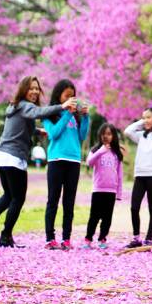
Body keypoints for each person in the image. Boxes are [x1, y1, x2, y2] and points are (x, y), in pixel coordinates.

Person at [0, 75, 75, 248]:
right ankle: (5, 236)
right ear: (24, 89)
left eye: (36, 88)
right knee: (18, 198)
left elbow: (22, 126)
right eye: (31, 88)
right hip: (14, 157)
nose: (34, 91)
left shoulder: (14, 106)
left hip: (2, 155)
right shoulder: (26, 106)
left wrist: (39, 132)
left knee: (9, 195)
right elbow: (37, 112)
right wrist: (61, 106)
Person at [42, 79, 90, 250]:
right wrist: (67, 113)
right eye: (67, 96)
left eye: (73, 96)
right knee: (53, 200)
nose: (71, 99)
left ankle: (66, 239)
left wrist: (85, 117)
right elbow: (54, 134)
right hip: (56, 161)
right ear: (59, 96)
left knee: (69, 202)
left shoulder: (75, 116)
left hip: (74, 161)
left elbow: (81, 136)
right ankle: (50, 238)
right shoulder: (49, 114)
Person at [124, 107, 152, 248]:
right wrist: (141, 122)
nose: (145, 120)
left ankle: (149, 239)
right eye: (143, 117)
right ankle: (136, 238)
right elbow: (127, 131)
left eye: (148, 117)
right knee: (134, 207)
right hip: (140, 175)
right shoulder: (141, 135)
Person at [83, 123, 124, 249]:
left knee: (107, 218)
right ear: (99, 135)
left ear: (113, 136)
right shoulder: (95, 150)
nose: (106, 136)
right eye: (103, 134)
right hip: (98, 190)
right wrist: (101, 151)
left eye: (109, 134)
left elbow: (120, 174)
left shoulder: (117, 153)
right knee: (94, 216)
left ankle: (102, 239)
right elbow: (89, 163)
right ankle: (88, 239)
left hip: (111, 191)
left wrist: (119, 192)